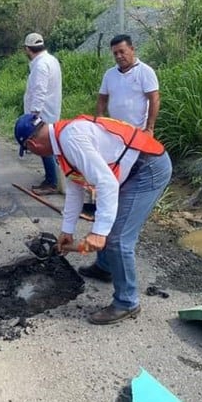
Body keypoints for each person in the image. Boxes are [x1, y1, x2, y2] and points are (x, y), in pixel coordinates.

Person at [14, 113, 172, 324]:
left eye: (29, 151)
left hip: (147, 168)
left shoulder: (71, 139)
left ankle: (127, 302)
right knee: (105, 217)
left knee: (117, 237)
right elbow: (75, 188)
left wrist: (98, 233)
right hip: (131, 168)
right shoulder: (62, 143)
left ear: (33, 144)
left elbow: (107, 183)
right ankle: (105, 268)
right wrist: (67, 231)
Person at [79, 33, 161, 280]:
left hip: (137, 139)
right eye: (115, 53)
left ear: (133, 50)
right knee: (107, 196)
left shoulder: (145, 72)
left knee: (119, 195)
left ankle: (114, 254)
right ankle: (103, 264)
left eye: (122, 52)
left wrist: (150, 127)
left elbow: (154, 98)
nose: (119, 56)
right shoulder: (110, 74)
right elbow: (102, 99)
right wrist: (99, 123)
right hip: (114, 139)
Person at [23, 32, 62, 195]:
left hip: (42, 113)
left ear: (27, 49)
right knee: (50, 146)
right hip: (50, 111)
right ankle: (52, 179)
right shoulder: (51, 60)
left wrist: (34, 115)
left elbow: (39, 91)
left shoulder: (40, 65)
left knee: (44, 147)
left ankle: (51, 182)